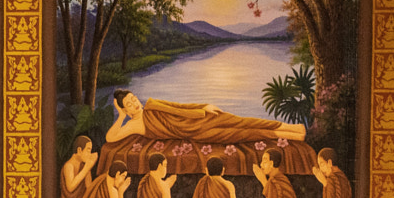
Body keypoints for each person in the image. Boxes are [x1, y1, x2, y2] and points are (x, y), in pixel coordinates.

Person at [104, 89, 306, 146]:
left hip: (201, 118)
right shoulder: (133, 124)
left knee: (244, 121)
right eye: (128, 104)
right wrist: (121, 116)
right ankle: (294, 136)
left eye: (133, 99)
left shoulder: (152, 104)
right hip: (199, 134)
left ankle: (294, 127)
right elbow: (110, 138)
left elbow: (179, 107)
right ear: (126, 110)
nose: (134, 103)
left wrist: (204, 106)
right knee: (246, 133)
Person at [56, 134, 95, 198]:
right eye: (88, 150)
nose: (89, 154)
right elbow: (70, 187)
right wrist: (86, 168)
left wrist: (88, 169)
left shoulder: (84, 165)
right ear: (79, 150)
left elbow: (89, 188)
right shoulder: (69, 165)